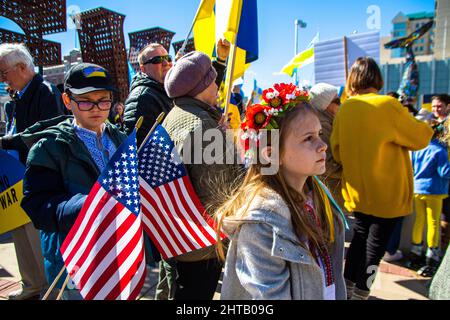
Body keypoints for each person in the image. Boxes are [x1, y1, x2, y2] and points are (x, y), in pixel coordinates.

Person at [216, 83, 346, 300]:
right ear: (271, 155)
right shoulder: (261, 224)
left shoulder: (320, 198)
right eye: (308, 138)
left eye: (319, 134)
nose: (323, 145)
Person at [19, 63, 126, 299]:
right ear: (67, 101)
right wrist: (88, 204)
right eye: (86, 101)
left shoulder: (121, 139)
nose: (96, 108)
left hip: (118, 250)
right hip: (75, 260)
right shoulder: (48, 147)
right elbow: (38, 205)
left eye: (103, 100)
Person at [330, 57, 433, 300]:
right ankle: (362, 293)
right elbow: (419, 138)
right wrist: (426, 124)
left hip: (357, 191)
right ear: (377, 78)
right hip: (389, 193)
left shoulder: (345, 109)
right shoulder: (388, 105)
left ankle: (346, 289)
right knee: (375, 249)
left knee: (358, 242)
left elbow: (336, 151)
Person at [159, 51, 244, 300]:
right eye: (213, 80)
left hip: (179, 236)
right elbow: (220, 192)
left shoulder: (175, 116)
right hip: (202, 244)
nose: (218, 86)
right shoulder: (203, 124)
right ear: (203, 85)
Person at [0, 43, 66, 300]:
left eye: (4, 72)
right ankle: (31, 285)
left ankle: (45, 287)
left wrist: (7, 142)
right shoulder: (16, 97)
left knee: (36, 235)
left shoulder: (45, 92)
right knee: (19, 233)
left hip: (37, 176)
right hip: (15, 176)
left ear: (22, 67)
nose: (2, 78)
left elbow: (46, 134)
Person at [123, 40, 230, 147]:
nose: (165, 63)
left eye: (167, 58)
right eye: (157, 60)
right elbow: (138, 149)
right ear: (143, 69)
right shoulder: (141, 98)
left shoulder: (168, 89)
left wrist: (220, 61)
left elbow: (205, 87)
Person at [407, 120, 450, 277]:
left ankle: (415, 253)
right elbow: (445, 172)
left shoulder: (417, 149)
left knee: (419, 221)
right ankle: (431, 257)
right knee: (433, 223)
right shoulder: (440, 151)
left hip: (417, 189)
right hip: (434, 191)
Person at [309, 83, 344, 210]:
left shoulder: (331, 121)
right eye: (337, 101)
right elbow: (327, 164)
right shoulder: (322, 126)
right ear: (325, 105)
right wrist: (349, 172)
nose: (341, 104)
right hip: (332, 190)